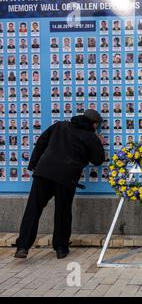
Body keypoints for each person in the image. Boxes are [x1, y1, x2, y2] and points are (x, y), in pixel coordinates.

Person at [14, 110, 105, 259]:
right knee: (63, 212)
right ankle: (61, 248)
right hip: (67, 177)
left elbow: (41, 141)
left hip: (44, 172)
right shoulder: (90, 137)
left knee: (33, 209)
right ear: (94, 124)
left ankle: (22, 246)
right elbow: (98, 160)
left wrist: (34, 164)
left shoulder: (60, 126)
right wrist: (98, 144)